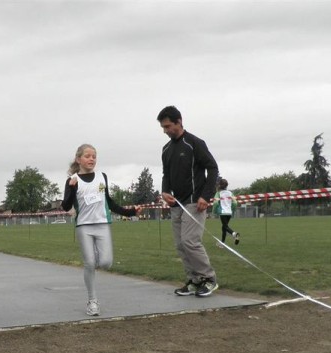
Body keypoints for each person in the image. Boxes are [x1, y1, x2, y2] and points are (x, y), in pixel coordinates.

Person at [61, 144, 142, 316]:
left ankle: (94, 255)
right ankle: (92, 301)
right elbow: (66, 205)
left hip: (103, 224)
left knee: (105, 263)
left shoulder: (102, 177)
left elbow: (110, 203)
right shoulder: (73, 180)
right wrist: (72, 189)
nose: (91, 159)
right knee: (89, 263)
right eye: (87, 156)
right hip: (84, 226)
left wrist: (131, 211)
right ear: (78, 159)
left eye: (94, 156)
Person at [157, 105, 219, 297]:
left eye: (168, 127)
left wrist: (206, 196)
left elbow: (213, 169)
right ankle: (194, 280)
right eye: (163, 128)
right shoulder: (166, 149)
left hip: (194, 202)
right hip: (177, 204)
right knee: (180, 244)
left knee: (190, 241)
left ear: (179, 122)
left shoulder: (195, 143)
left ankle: (209, 279)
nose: (166, 131)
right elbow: (166, 174)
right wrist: (165, 192)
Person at [213, 179, 240, 245]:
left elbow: (216, 203)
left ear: (219, 185)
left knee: (225, 227)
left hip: (223, 212)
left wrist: (214, 211)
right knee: (224, 227)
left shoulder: (218, 193)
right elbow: (235, 203)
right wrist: (231, 209)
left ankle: (234, 234)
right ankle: (222, 243)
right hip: (229, 212)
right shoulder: (230, 193)